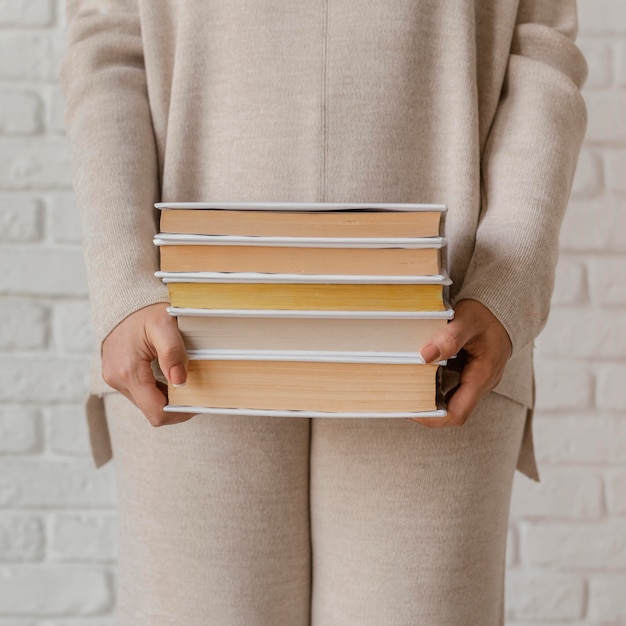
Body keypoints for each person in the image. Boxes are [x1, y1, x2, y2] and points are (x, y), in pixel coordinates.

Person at [61, 0, 587, 624]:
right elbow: (110, 45)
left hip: (444, 330)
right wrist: (125, 283)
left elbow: (541, 55)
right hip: (183, 328)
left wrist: (507, 285)